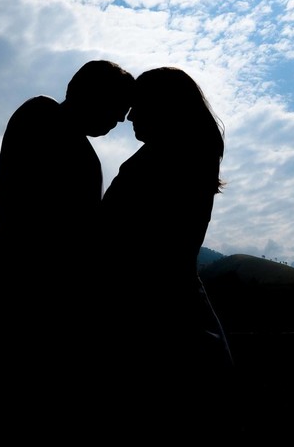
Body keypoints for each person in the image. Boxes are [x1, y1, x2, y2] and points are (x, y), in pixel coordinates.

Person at [0, 59, 134, 380]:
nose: (120, 118)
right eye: (117, 106)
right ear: (89, 92)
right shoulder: (42, 114)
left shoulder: (83, 152)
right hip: (28, 285)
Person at [101, 67, 232, 400]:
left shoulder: (162, 165)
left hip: (157, 319)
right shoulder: (187, 158)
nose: (129, 115)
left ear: (165, 107)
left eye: (139, 104)